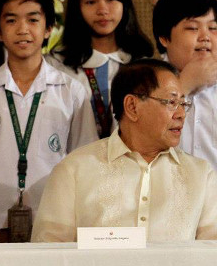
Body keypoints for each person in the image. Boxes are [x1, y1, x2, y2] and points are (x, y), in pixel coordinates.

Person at [0, 0, 98, 239]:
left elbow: (84, 161)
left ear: (49, 28)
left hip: (57, 219)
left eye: (33, 20)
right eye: (11, 20)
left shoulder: (72, 91)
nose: (23, 29)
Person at [32, 59, 217, 242]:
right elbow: (49, 253)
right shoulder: (73, 170)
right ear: (132, 107)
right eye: (171, 102)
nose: (181, 114)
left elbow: (211, 252)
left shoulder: (201, 175)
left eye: (183, 104)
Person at [48, 0, 153, 138]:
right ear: (77, 8)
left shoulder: (143, 63)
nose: (103, 10)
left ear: (124, 3)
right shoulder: (56, 65)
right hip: (76, 162)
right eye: (91, 2)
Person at [152, 0, 217, 169]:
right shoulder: (141, 79)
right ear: (164, 37)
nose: (205, 37)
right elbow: (132, 143)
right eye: (193, 28)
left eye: (213, 27)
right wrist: (183, 86)